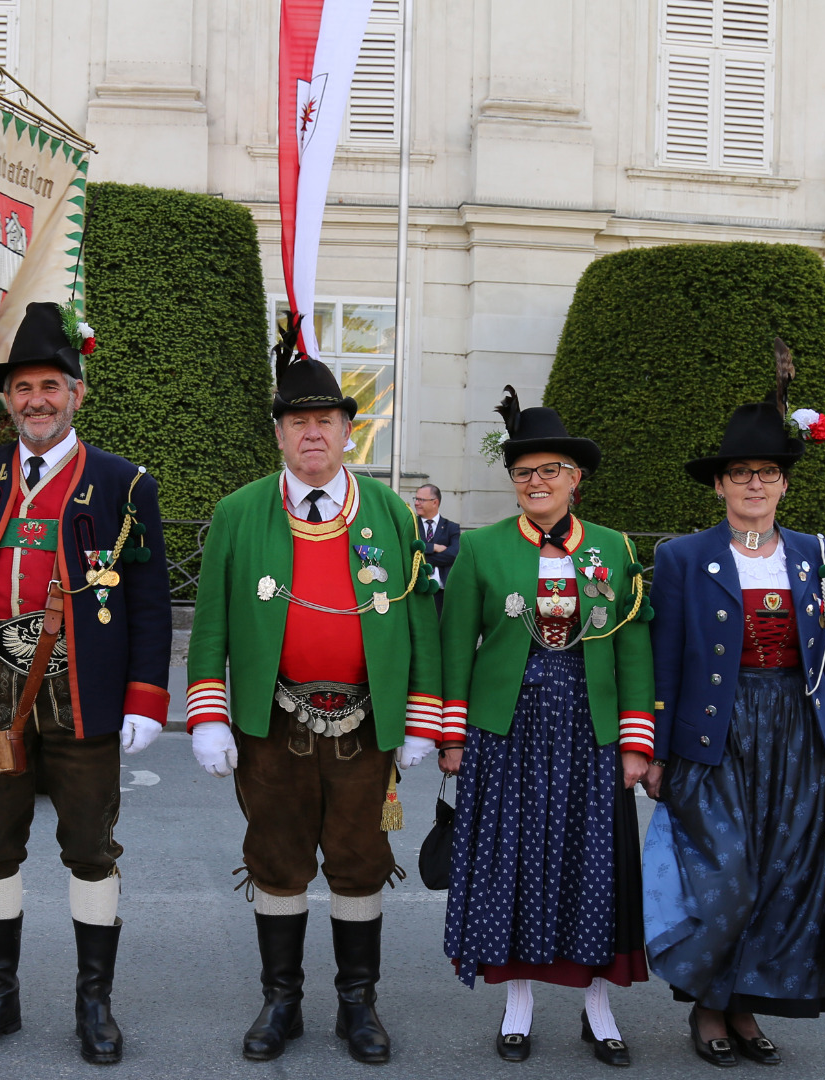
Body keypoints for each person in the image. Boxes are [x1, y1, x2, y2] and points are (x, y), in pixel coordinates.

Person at [0, 302, 172, 1065]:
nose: (36, 400)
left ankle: (93, 1004)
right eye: (22, 388)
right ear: (7, 399)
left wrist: (148, 695)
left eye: (50, 384)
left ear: (77, 393)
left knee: (89, 848)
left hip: (82, 697)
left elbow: (146, 599)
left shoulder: (122, 482)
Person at [184, 327, 443, 1065]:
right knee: (276, 856)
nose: (312, 434)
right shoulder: (238, 513)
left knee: (360, 859)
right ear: (278, 433)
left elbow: (421, 617)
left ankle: (358, 1005)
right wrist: (207, 714)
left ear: (347, 431)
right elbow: (211, 625)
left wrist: (421, 718)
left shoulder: (391, 514)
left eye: (325, 421)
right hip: (273, 724)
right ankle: (282, 1001)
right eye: (297, 421)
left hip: (365, 726)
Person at [641, 396, 825, 1068]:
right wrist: (656, 749)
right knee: (728, 877)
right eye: (740, 472)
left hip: (798, 733)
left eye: (767, 472)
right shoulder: (685, 557)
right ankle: (708, 1005)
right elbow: (665, 657)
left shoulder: (817, 555)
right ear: (719, 484)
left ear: (785, 483)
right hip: (716, 731)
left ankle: (742, 1006)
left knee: (782, 878)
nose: (753, 484)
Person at [436, 388, 654, 1066]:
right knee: (514, 866)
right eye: (525, 472)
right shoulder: (482, 548)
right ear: (514, 483)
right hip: (506, 732)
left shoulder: (614, 550)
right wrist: (451, 736)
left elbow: (632, 648)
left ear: (575, 478)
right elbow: (453, 647)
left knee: (593, 866)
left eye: (550, 470)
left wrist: (636, 741)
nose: (537, 482)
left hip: (591, 732)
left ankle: (597, 1005)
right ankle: (519, 1005)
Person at [412, 484, 460, 616]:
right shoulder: (411, 526)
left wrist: (423, 556)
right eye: (415, 499)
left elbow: (454, 554)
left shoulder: (452, 528)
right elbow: (408, 550)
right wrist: (434, 547)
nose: (416, 503)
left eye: (421, 500)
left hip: (444, 592)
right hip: (416, 589)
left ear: (435, 502)